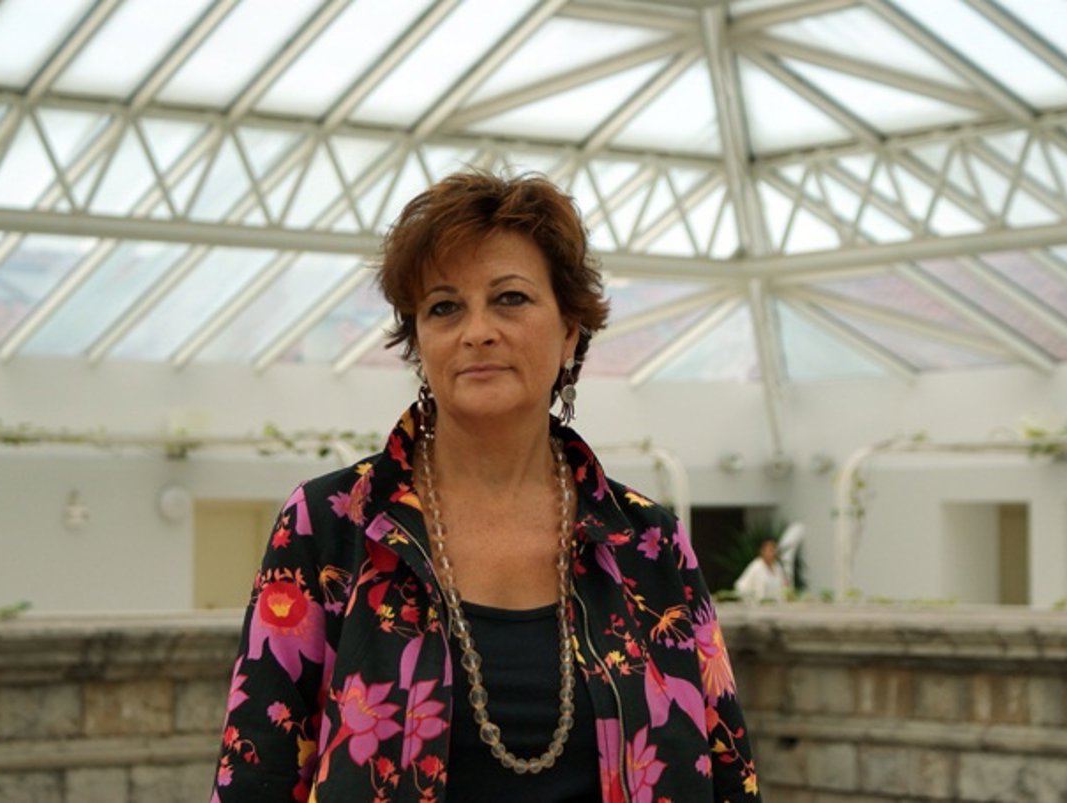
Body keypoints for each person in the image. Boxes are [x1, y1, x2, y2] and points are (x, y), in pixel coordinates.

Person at [211, 171, 759, 802]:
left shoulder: (648, 543)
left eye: (510, 299)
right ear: (419, 341)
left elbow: (730, 775)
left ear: (570, 330)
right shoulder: (333, 523)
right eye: (445, 307)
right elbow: (255, 772)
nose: (477, 331)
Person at [734, 537, 789, 603]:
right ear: (762, 551)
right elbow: (741, 586)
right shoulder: (756, 566)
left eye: (773, 550)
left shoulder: (777, 567)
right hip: (758, 605)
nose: (771, 553)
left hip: (776, 604)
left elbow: (784, 587)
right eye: (769, 550)